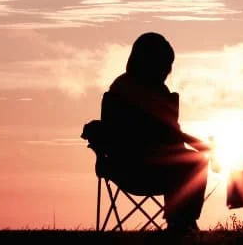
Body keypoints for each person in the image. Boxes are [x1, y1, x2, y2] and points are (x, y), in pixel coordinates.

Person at [87, 32, 210, 234]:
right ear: (153, 63)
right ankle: (182, 223)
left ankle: (182, 221)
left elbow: (171, 134)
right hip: (137, 168)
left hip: (126, 168)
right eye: (165, 64)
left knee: (191, 162)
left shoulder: (123, 88)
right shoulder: (131, 90)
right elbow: (168, 132)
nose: (168, 70)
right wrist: (201, 146)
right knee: (196, 163)